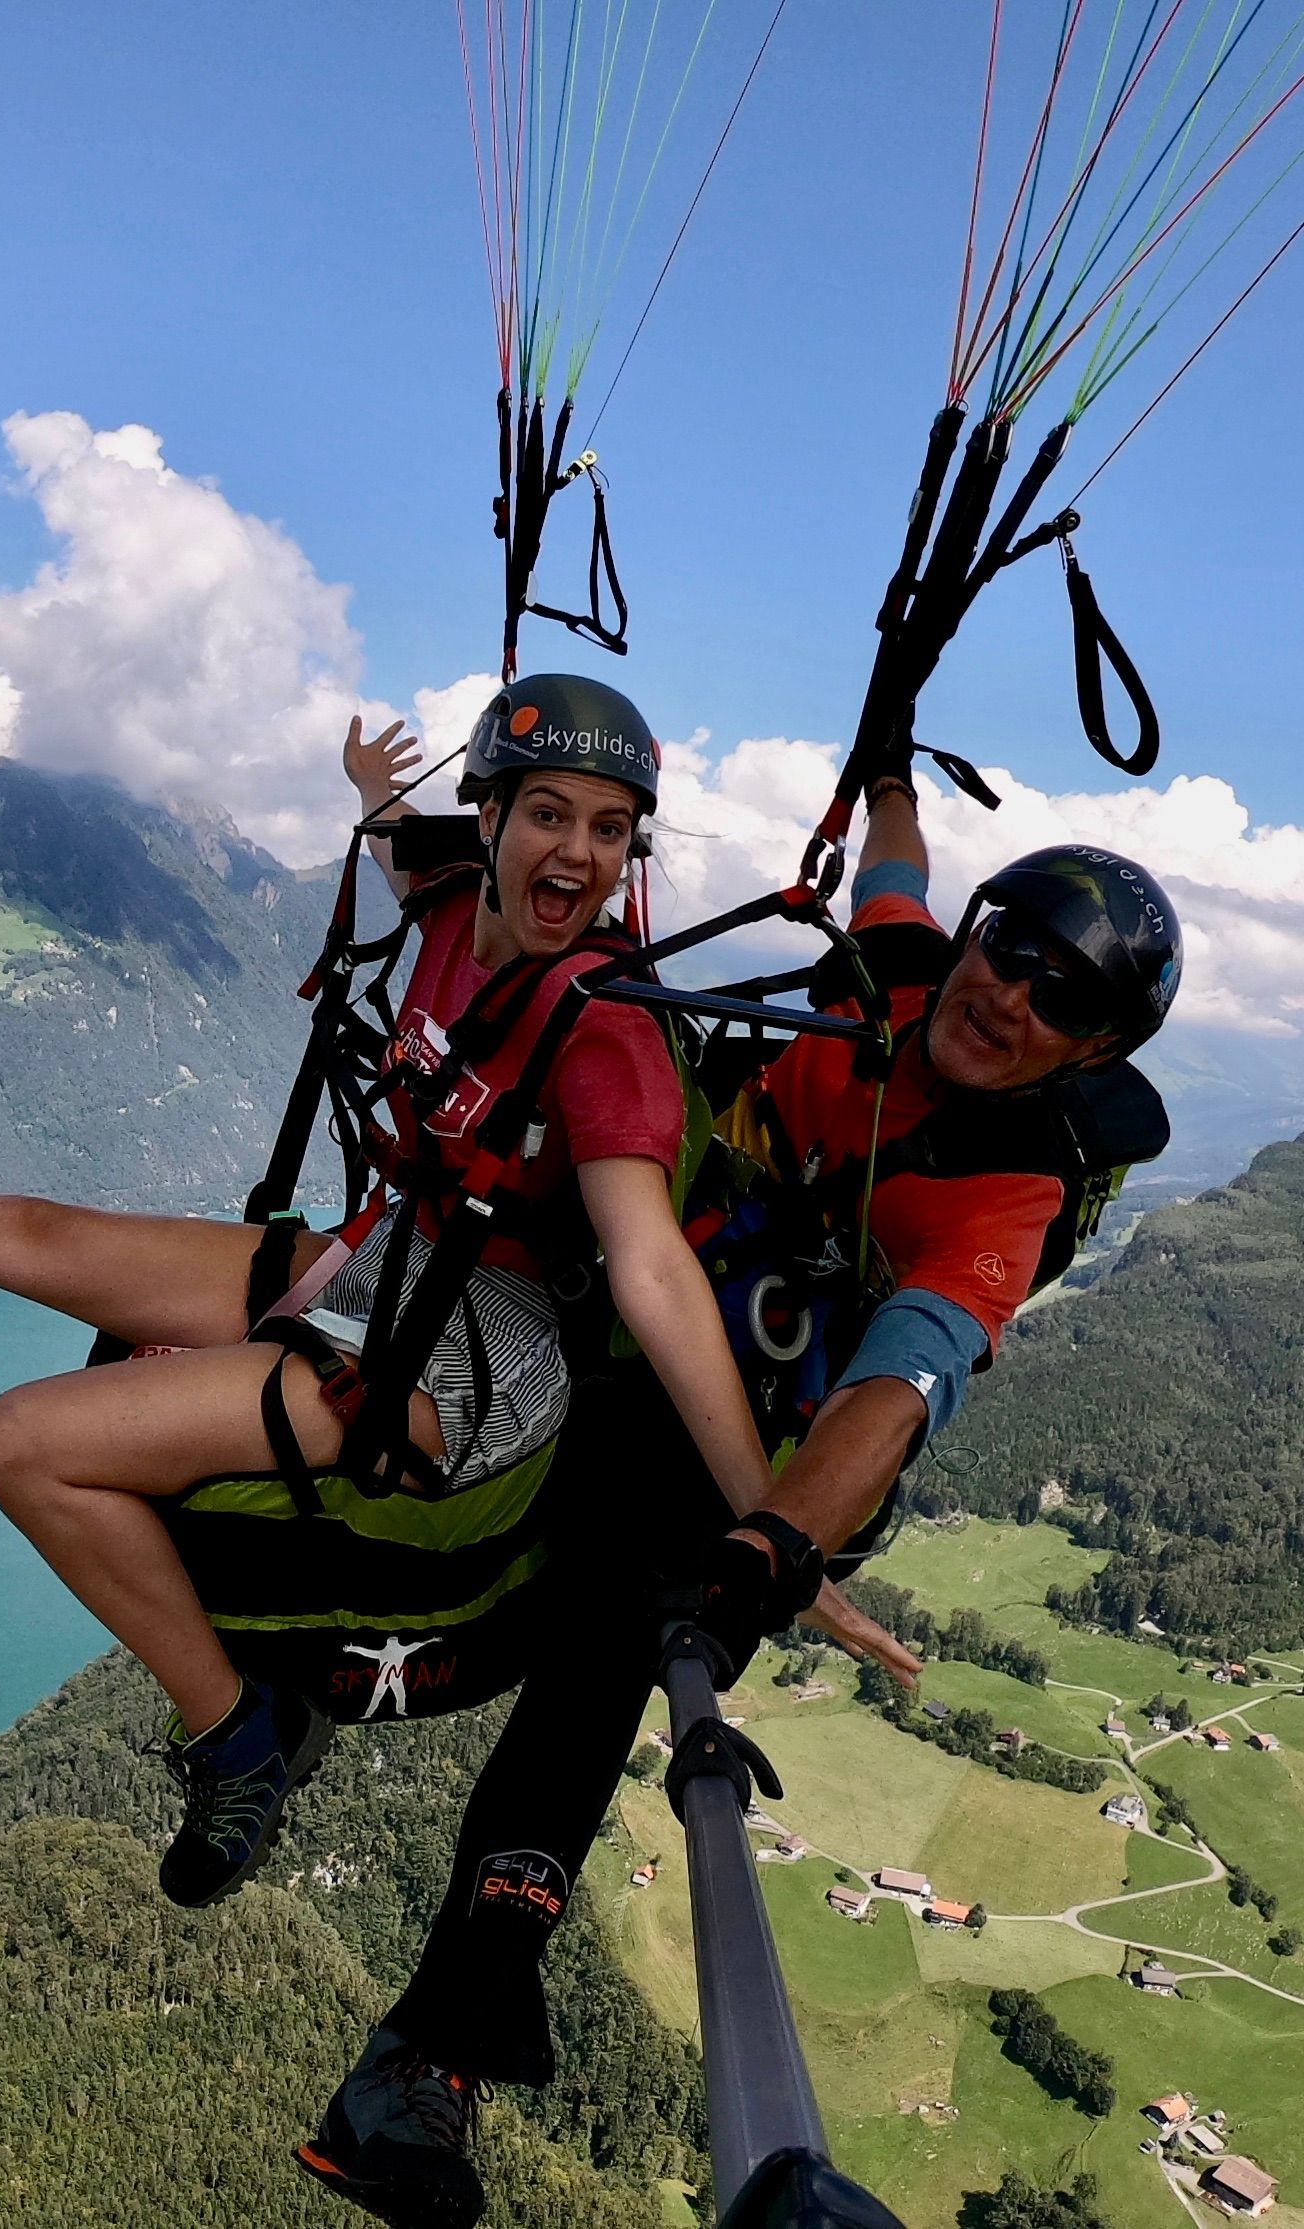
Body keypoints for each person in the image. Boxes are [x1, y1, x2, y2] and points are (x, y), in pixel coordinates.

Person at [0, 675, 890, 1921]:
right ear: (485, 818)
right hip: (388, 1256)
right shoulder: (444, 904)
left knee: (22, 1442)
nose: (579, 856)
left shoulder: (601, 1035)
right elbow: (397, 843)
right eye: (547, 813)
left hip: (474, 1359)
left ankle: (236, 1736)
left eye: (610, 830)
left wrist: (778, 1525)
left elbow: (651, 1271)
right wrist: (370, 788)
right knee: (14, 1229)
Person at [297, 777, 1180, 2228]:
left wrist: (769, 1541)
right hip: (649, 1284)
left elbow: (899, 1384)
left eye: (1060, 992)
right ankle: (332, 1709)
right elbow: (896, 872)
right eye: (1006, 941)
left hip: (746, 1430)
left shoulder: (1010, 1190)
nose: (1009, 989)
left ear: (1092, 1048)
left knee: (588, 1664)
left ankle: (431, 2051)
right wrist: (895, 770)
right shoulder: (896, 974)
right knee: (513, 1559)